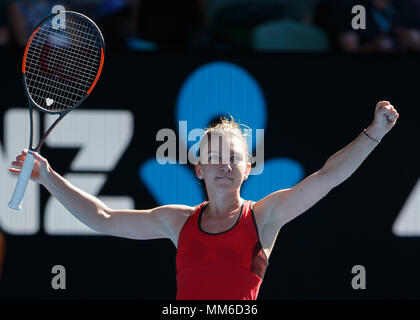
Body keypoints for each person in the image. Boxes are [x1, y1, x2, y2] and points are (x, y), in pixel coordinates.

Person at [9, 101, 399, 300]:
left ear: (248, 167)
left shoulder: (265, 217)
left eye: (233, 157)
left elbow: (327, 177)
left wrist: (374, 133)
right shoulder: (177, 222)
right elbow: (104, 218)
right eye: (213, 157)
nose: (223, 165)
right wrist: (47, 177)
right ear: (199, 169)